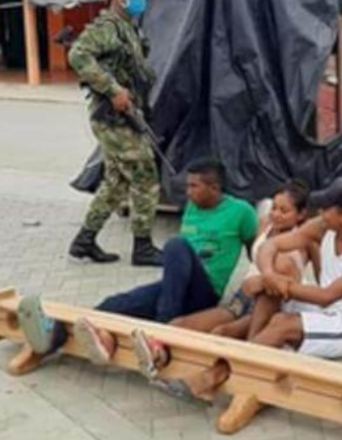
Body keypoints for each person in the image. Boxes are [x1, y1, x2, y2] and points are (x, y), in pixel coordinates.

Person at [152, 177, 342, 400]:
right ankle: (249, 352)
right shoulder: (323, 226)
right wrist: (269, 276)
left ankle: (215, 374)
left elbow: (327, 296)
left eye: (327, 209)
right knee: (265, 297)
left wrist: (279, 282)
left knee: (281, 323)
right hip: (318, 306)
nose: (320, 213)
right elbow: (271, 246)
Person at [70, 159, 259, 365]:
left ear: (214, 188)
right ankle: (69, 333)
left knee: (176, 246)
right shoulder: (193, 207)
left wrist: (252, 290)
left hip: (205, 291)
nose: (188, 192)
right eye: (187, 186)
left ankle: (162, 329)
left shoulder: (242, 212)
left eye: (194, 186)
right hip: (175, 287)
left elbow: (255, 249)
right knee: (117, 303)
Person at [130, 182, 319, 379]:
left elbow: (303, 281)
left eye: (284, 211)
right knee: (180, 324)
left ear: (301, 214)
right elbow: (253, 255)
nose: (276, 214)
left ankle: (194, 377)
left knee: (220, 333)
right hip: (241, 299)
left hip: (265, 307)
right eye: (274, 208)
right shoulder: (266, 224)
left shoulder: (302, 243)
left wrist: (263, 281)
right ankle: (157, 355)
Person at [67, 0, 163, 266]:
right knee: (144, 172)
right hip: (112, 117)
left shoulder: (128, 27)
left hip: (126, 115)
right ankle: (143, 248)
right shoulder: (107, 26)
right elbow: (77, 54)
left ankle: (84, 241)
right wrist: (113, 90)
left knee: (116, 182)